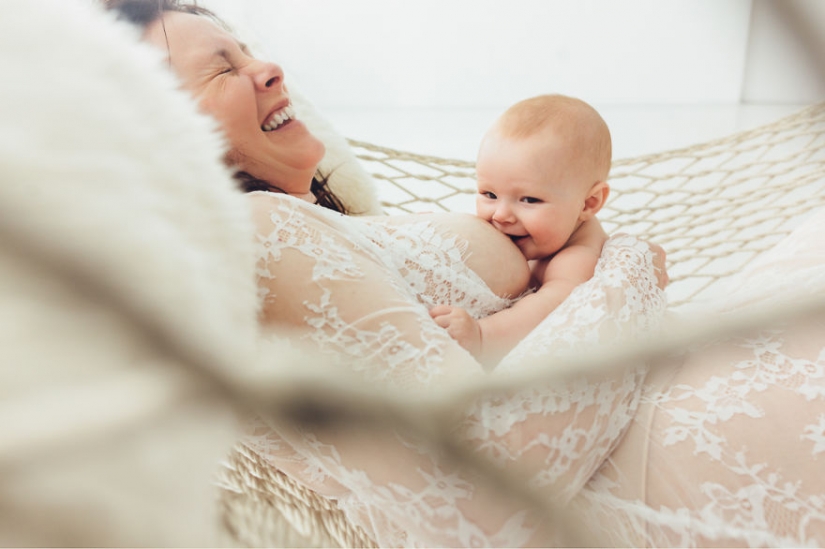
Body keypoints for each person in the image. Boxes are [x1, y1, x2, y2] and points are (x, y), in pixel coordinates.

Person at [104, 1, 825, 547]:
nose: (269, 69)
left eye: (250, 50)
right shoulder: (257, 234)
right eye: (225, 68)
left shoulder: (302, 228)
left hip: (681, 395)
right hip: (674, 447)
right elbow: (489, 480)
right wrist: (623, 268)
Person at [431, 94, 620, 367]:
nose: (501, 214)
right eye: (489, 193)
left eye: (529, 200)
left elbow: (552, 306)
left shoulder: (578, 256)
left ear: (589, 203)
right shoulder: (525, 229)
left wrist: (483, 336)